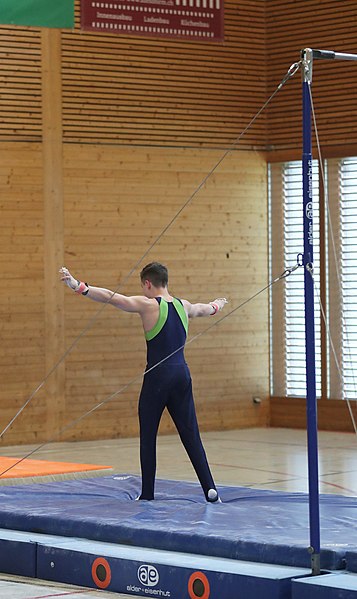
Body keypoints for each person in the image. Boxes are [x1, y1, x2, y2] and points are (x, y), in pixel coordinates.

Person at [59, 262, 227, 502]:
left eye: (143, 286)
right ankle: (210, 490)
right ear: (165, 281)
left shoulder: (148, 305)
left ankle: (147, 493)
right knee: (191, 435)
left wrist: (78, 286)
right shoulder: (184, 305)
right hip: (182, 375)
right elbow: (207, 309)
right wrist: (218, 304)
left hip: (158, 377)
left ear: (148, 283)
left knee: (148, 435)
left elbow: (111, 297)